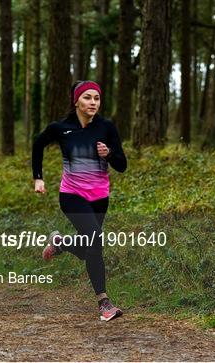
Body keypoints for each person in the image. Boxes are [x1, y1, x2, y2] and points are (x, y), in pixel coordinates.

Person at [31, 80, 127, 321]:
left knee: (88, 250)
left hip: (99, 198)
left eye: (96, 98)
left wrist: (110, 154)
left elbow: (122, 165)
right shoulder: (60, 128)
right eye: (87, 98)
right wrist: (38, 179)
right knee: (96, 241)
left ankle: (61, 243)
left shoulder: (106, 127)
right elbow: (37, 145)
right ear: (76, 101)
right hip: (72, 196)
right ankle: (104, 304)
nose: (93, 102)